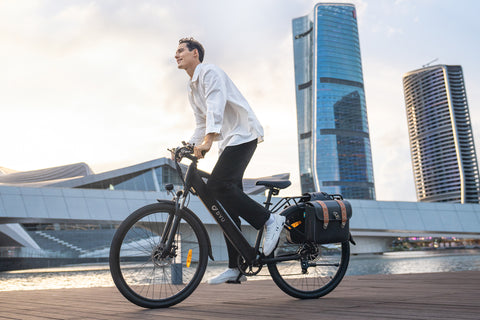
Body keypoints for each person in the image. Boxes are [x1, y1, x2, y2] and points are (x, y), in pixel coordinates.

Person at [174, 37, 285, 285]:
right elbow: (201, 123)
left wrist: (208, 142)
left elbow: (216, 104)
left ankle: (270, 220)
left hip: (244, 135)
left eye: (181, 50)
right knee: (223, 201)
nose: (176, 55)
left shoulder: (209, 72)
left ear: (195, 54)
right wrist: (188, 146)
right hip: (230, 141)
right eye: (176, 51)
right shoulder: (192, 88)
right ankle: (237, 267)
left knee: (215, 186)